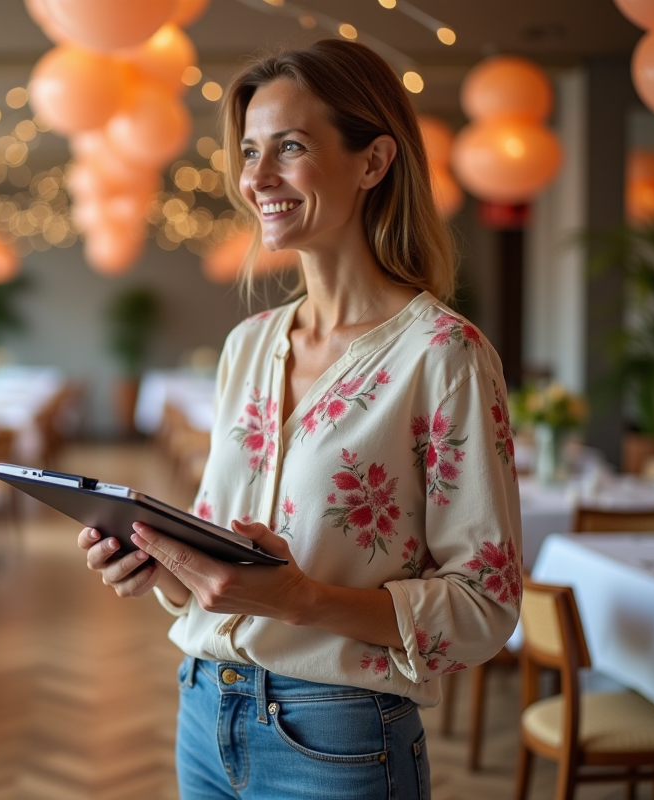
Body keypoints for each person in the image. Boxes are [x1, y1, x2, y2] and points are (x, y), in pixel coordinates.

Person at [78, 40, 521, 799]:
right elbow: (228, 556)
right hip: (204, 708)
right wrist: (166, 567)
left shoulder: (444, 355)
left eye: (290, 147)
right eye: (250, 151)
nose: (257, 178)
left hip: (340, 733)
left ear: (374, 161)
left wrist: (301, 600)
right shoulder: (247, 347)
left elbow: (485, 607)